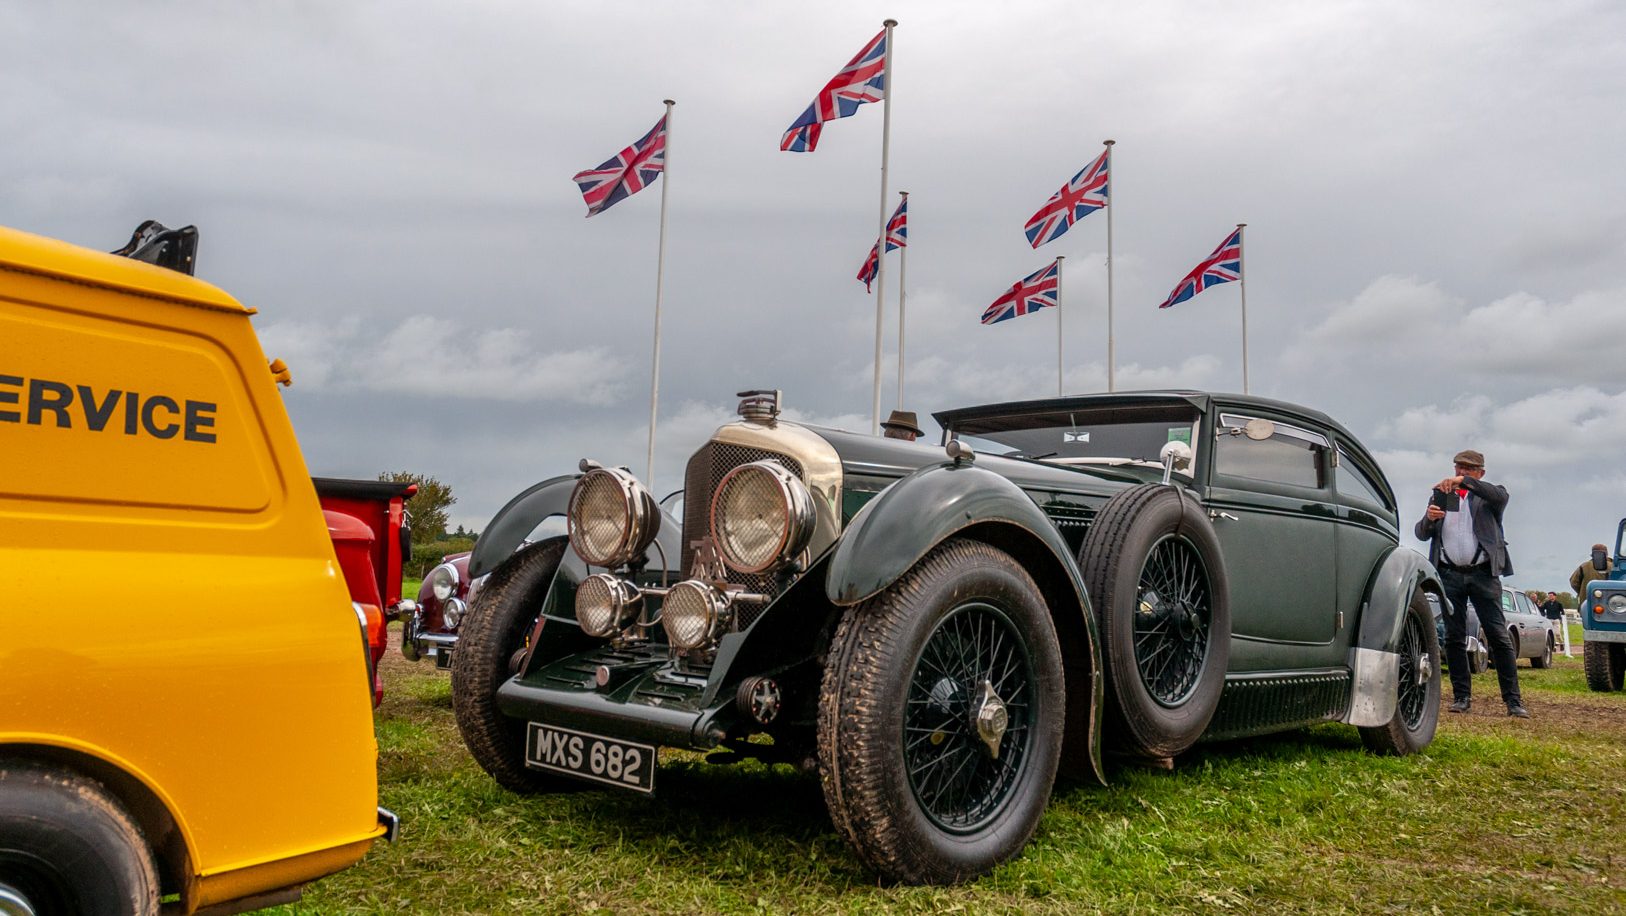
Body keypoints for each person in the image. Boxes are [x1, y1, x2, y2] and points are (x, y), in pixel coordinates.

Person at [1414, 449, 1528, 717]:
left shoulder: (1490, 497)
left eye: (1469, 469)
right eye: (1459, 468)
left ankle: (1513, 701)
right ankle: (1461, 696)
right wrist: (1429, 519)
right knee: (1454, 637)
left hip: (1482, 574)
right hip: (1450, 574)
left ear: (1480, 473)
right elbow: (1421, 533)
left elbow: (1500, 495)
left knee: (1498, 635)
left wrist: (1464, 483)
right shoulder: (1442, 496)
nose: (1462, 472)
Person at [1540, 590, 1571, 658]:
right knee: (1552, 634)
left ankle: (1561, 643)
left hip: (1556, 620)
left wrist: (1562, 619)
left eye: (1551, 596)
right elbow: (1541, 609)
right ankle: (1554, 647)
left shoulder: (1559, 604)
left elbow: (1562, 612)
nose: (1550, 597)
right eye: (1549, 596)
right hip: (1549, 620)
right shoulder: (1546, 603)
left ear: (1554, 596)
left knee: (1557, 633)